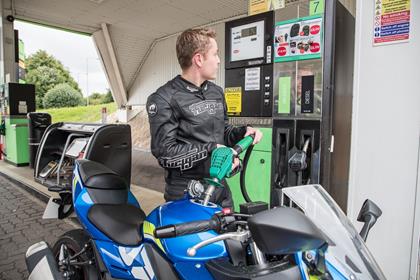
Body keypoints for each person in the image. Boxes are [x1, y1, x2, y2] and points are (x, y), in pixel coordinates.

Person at [146, 28, 262, 208]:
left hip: (220, 189)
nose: (218, 60)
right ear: (198, 59)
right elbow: (165, 154)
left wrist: (242, 132)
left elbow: (223, 131)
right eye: (215, 54)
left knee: (230, 236)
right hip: (185, 193)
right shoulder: (163, 98)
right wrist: (211, 150)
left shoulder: (216, 92)